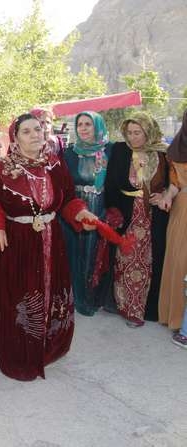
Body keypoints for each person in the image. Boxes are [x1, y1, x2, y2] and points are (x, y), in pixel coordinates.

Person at [0, 114, 98, 381]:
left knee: (52, 291)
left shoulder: (55, 164)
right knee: (21, 298)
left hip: (51, 236)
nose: (35, 135)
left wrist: (81, 213)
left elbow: (68, 199)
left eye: (38, 129)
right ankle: (20, 353)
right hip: (17, 242)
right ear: (15, 138)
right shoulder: (0, 168)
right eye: (26, 131)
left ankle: (49, 347)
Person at [104, 112, 168, 327]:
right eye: (129, 133)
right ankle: (127, 307)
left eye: (137, 133)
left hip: (153, 218)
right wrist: (113, 210)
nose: (133, 138)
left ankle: (145, 309)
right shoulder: (120, 150)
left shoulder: (163, 154)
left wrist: (165, 193)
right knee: (126, 259)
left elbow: (172, 182)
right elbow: (111, 183)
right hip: (128, 213)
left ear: (148, 132)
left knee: (150, 262)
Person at [62, 111, 115, 316]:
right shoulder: (69, 153)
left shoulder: (110, 150)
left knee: (95, 253)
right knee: (74, 252)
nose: (83, 128)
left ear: (98, 126)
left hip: (99, 208)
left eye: (88, 124)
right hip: (76, 208)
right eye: (80, 124)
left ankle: (91, 298)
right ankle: (75, 298)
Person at [158, 109, 187, 332]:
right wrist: (167, 196)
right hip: (184, 212)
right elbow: (175, 183)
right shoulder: (178, 149)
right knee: (180, 263)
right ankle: (178, 319)